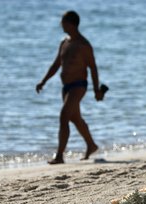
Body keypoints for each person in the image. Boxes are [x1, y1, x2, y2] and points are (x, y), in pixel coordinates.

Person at [36, 10, 102, 164]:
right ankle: (91, 145)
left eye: (63, 22)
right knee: (75, 118)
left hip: (79, 86)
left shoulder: (84, 44)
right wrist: (43, 81)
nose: (61, 25)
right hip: (66, 86)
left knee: (64, 115)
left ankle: (59, 156)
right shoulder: (64, 42)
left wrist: (96, 89)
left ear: (71, 24)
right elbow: (56, 64)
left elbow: (93, 67)